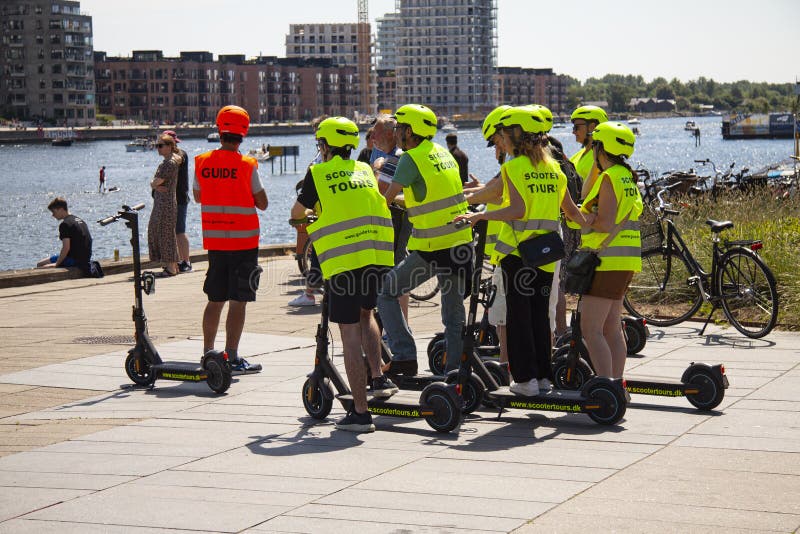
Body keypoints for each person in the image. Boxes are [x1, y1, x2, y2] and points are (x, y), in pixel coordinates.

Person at [455, 106, 585, 396]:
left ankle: (524, 381)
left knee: (519, 317)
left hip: (518, 254)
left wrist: (479, 216)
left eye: (503, 134)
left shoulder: (513, 168)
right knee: (540, 316)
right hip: (547, 253)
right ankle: (542, 377)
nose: (501, 139)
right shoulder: (556, 169)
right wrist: (596, 227)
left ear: (515, 135)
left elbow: (516, 209)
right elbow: (573, 214)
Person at [291, 117, 399, 432]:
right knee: (367, 316)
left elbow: (298, 213)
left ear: (324, 146)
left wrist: (315, 215)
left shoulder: (318, 174)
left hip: (344, 260)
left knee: (349, 333)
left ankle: (361, 414)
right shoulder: (365, 170)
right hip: (376, 255)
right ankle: (378, 379)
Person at [378, 104, 474, 376]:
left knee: (386, 292)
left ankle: (405, 355)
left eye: (399, 128)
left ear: (410, 131)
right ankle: (453, 374)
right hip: (461, 245)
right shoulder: (443, 154)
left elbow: (386, 198)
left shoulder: (410, 159)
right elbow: (426, 195)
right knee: (454, 315)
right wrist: (402, 200)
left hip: (433, 248)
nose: (396, 133)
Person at [194, 105, 268, 375]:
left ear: (219, 129)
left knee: (215, 300)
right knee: (239, 301)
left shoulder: (202, 161)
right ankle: (233, 357)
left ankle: (208, 354)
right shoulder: (248, 165)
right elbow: (263, 203)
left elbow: (198, 196)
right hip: (245, 244)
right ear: (243, 134)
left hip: (216, 243)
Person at [573, 121, 642, 379]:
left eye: (594, 145)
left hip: (605, 261)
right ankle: (616, 384)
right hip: (625, 260)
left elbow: (605, 222)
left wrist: (584, 218)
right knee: (612, 327)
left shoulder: (609, 178)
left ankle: (605, 386)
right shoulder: (627, 177)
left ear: (601, 147)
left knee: (591, 329)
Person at [462, 105, 511, 365]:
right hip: (519, 249)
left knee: (503, 314)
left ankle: (506, 366)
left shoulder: (515, 162)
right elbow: (495, 187)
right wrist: (475, 190)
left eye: (495, 143)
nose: (495, 150)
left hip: (511, 248)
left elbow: (497, 192)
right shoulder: (534, 160)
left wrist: (463, 199)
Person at [370, 114, 410, 321]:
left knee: (394, 273)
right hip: (403, 220)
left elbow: (380, 192)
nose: (371, 136)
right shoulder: (398, 155)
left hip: (396, 220)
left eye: (375, 132)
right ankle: (402, 321)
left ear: (388, 133)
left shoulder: (394, 158)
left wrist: (376, 168)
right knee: (399, 271)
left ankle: (399, 324)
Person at [288, 114, 328, 307]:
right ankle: (314, 292)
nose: (315, 138)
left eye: (318, 134)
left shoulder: (321, 160)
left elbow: (296, 212)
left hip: (321, 210)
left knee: (319, 252)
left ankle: (311, 293)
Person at [148, 134, 182, 277]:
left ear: (169, 147)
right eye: (157, 145)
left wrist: (153, 184)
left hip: (165, 203)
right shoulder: (168, 161)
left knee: (165, 233)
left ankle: (171, 267)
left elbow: (156, 182)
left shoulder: (170, 163)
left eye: (161, 145)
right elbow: (156, 183)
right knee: (163, 232)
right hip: (163, 202)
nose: (158, 148)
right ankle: (172, 266)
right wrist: (154, 184)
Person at [36, 197, 93, 275]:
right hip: (85, 258)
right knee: (40, 263)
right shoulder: (79, 220)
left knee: (41, 266)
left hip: (75, 260)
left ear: (61, 209)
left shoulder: (65, 224)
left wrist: (57, 264)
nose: (53, 215)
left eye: (54, 212)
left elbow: (66, 248)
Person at [163, 130, 192, 273]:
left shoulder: (180, 155)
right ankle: (176, 261)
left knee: (180, 231)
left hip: (179, 198)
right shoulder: (171, 157)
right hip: (172, 199)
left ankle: (185, 261)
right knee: (173, 231)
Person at [569, 105, 608, 189]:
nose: (573, 132)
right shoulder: (576, 156)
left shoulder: (603, 158)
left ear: (592, 127)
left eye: (576, 127)